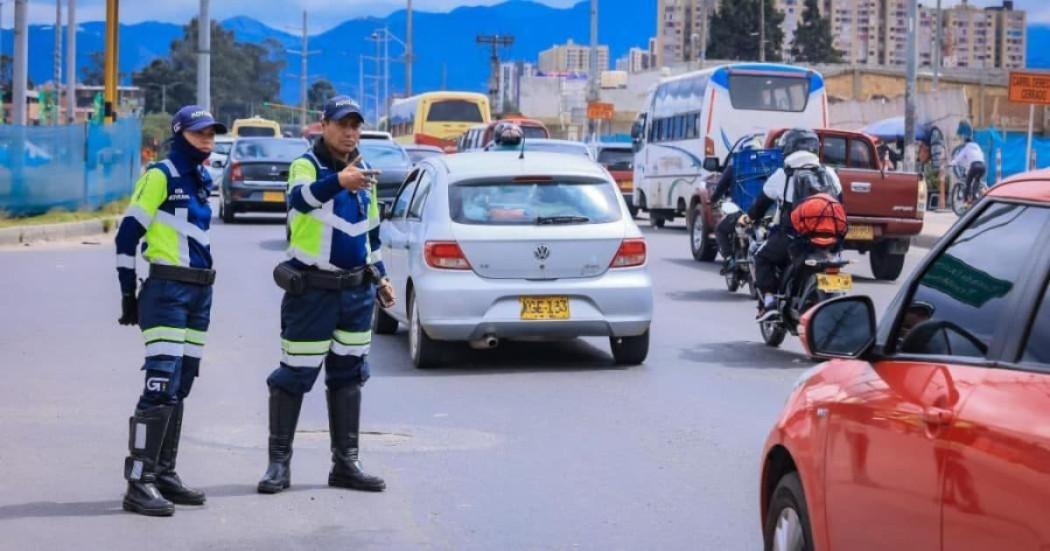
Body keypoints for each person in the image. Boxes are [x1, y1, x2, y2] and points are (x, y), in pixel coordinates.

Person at [258, 96, 395, 495]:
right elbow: (301, 199)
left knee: (350, 376)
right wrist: (339, 180)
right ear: (324, 126)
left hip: (356, 294)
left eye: (356, 125)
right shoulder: (306, 165)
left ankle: (346, 464)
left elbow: (370, 233)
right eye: (342, 125)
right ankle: (279, 465)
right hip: (312, 292)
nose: (350, 132)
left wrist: (381, 276)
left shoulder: (364, 171)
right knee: (294, 376)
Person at [114, 105, 226, 516]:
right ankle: (138, 481)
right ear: (180, 135)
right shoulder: (159, 175)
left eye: (212, 134)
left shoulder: (203, 178)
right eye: (200, 134)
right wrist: (128, 294)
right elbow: (126, 238)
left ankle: (163, 473)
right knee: (160, 383)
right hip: (167, 291)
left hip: (200, 294)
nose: (208, 140)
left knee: (182, 381)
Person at [739, 129, 842, 321]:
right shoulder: (829, 173)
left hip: (793, 238)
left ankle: (769, 302)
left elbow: (760, 206)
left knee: (762, 258)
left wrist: (747, 218)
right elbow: (840, 202)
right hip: (830, 240)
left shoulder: (783, 174)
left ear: (788, 149)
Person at [710, 136, 764, 273]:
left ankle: (728, 259)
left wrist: (713, 200)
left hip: (740, 212)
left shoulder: (735, 166)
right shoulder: (767, 167)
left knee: (720, 229)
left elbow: (720, 187)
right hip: (763, 213)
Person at [951, 136, 986, 206]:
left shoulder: (966, 148)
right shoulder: (977, 147)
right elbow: (981, 156)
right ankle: (975, 197)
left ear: (965, 143)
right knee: (977, 180)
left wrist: (952, 163)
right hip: (983, 166)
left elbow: (959, 158)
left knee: (968, 183)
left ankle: (966, 201)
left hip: (974, 166)